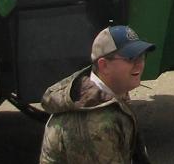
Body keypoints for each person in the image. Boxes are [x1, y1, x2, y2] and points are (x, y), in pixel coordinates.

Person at [39, 24, 156, 164]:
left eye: (142, 56)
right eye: (131, 58)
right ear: (104, 65)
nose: (139, 64)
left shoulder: (113, 91)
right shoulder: (94, 124)